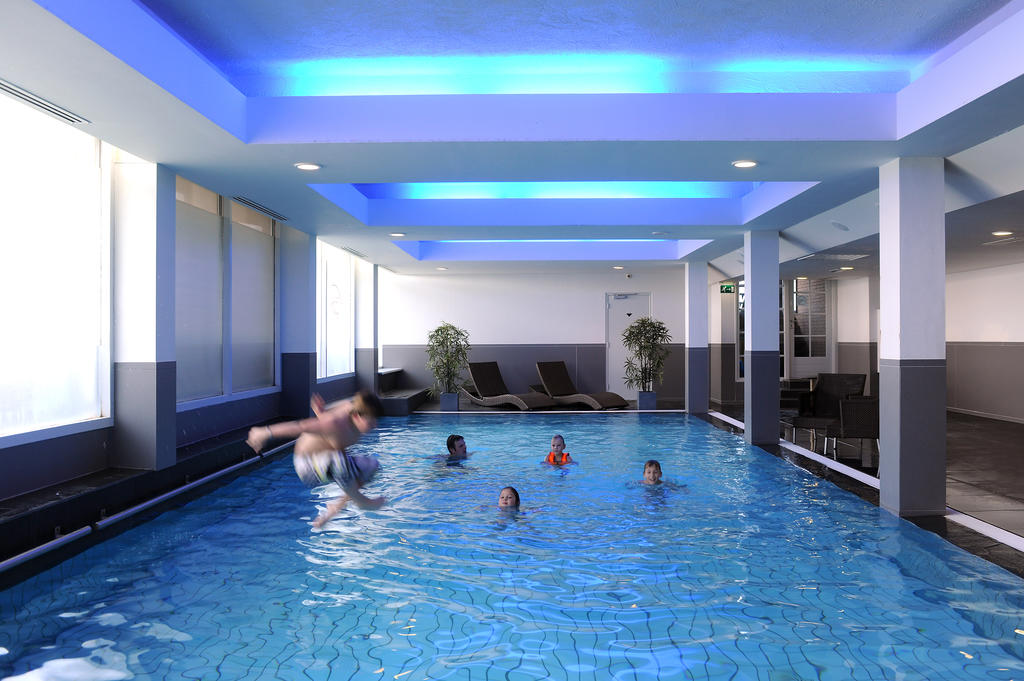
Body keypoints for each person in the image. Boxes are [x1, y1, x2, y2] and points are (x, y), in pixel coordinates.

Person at [246, 390, 385, 528]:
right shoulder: (335, 423)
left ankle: (333, 511)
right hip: (308, 465)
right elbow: (300, 426)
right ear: (356, 416)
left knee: (371, 466)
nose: (375, 426)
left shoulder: (353, 412)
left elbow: (334, 420)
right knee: (338, 461)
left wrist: (322, 412)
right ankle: (362, 501)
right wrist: (265, 432)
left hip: (331, 461)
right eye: (371, 422)